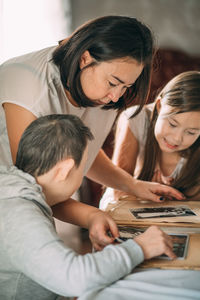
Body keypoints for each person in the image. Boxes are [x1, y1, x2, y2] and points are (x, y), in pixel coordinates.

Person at [0, 15, 184, 213]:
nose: (116, 96)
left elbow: (85, 154)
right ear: (84, 59)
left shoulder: (103, 94)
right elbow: (34, 185)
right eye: (113, 83)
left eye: (126, 86)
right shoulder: (27, 85)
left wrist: (134, 185)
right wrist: (90, 217)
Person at [0, 114, 176, 300]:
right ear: (64, 170)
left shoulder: (15, 190)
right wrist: (140, 247)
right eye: (83, 168)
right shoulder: (19, 216)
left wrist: (92, 216)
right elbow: (74, 279)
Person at [100, 71, 200, 210]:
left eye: (191, 132)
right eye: (172, 124)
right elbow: (119, 189)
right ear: (159, 106)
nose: (177, 138)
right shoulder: (135, 118)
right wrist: (152, 197)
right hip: (124, 209)